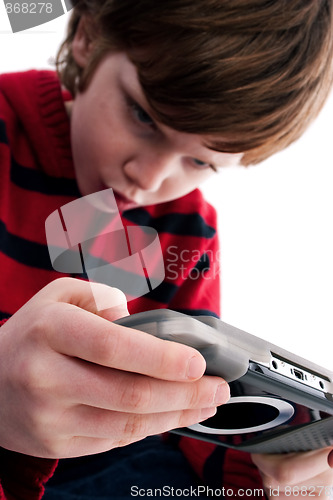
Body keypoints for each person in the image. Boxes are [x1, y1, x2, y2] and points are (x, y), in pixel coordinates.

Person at [0, 0, 333, 498]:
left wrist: (269, 476)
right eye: (143, 116)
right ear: (87, 38)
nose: (149, 177)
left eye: (199, 161)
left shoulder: (188, 230)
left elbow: (195, 417)